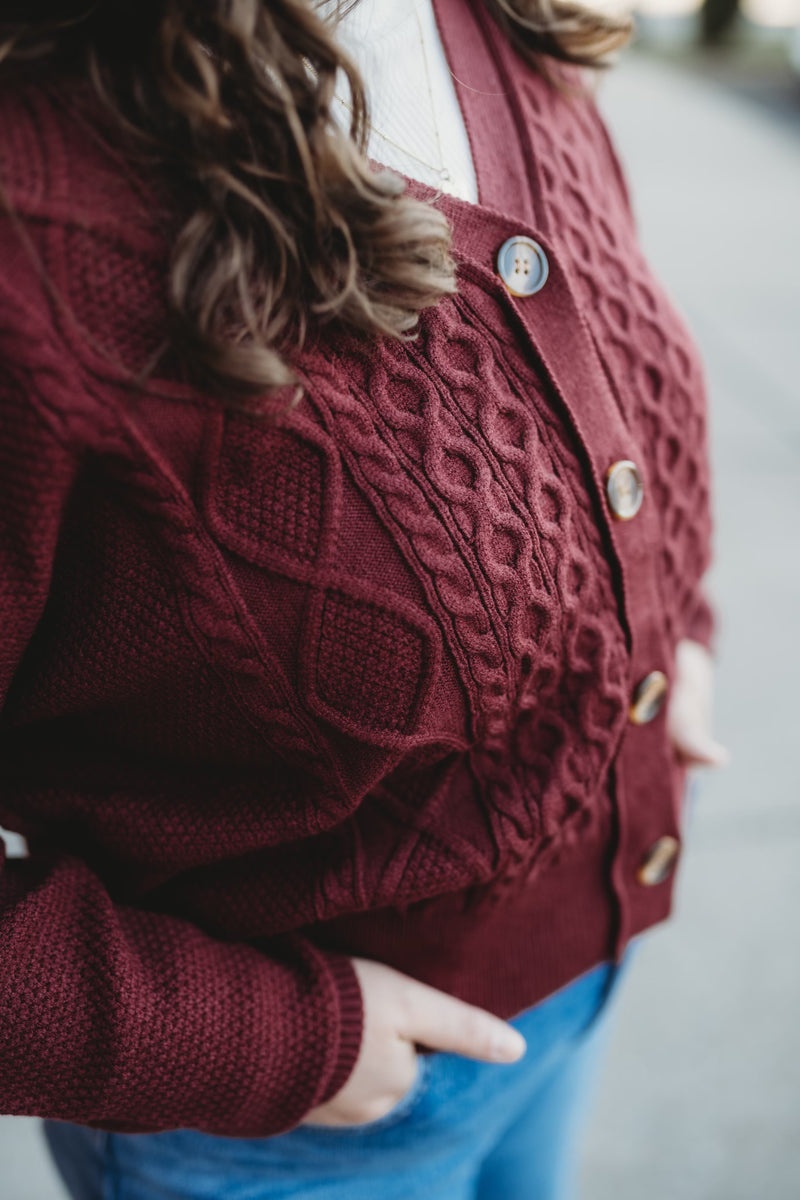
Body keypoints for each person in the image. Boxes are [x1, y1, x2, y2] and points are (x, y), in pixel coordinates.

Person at [0, 0, 730, 1197]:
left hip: (566, 999)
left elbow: (592, 396)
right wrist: (274, 1040)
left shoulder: (494, 24)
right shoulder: (36, 219)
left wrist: (672, 631)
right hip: (287, 1131)